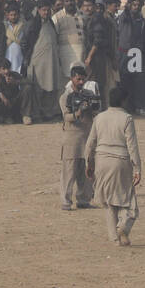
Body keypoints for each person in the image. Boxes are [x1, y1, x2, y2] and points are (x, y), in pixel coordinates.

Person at [85, 85, 141, 246]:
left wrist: (88, 163)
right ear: (124, 101)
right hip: (121, 162)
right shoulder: (127, 118)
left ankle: (115, 239)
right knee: (129, 202)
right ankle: (123, 226)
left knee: (109, 203)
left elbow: (90, 144)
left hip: (101, 161)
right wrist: (137, 168)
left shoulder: (99, 118)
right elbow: (132, 146)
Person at [59, 65, 99, 212]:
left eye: (83, 79)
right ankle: (66, 201)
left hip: (87, 138)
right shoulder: (65, 97)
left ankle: (83, 199)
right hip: (72, 141)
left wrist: (91, 107)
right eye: (78, 79)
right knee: (69, 173)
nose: (81, 82)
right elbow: (66, 117)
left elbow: (97, 110)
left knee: (86, 172)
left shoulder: (89, 94)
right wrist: (79, 112)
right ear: (72, 79)